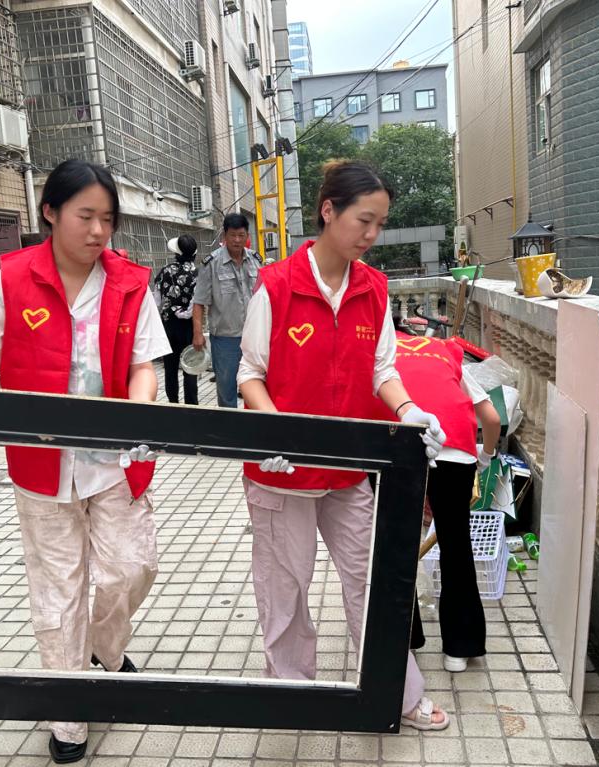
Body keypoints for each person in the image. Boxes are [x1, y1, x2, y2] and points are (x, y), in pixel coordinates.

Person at [0, 159, 171, 764]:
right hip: (41, 467)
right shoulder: (11, 281)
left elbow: (144, 365)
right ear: (50, 213)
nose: (98, 231)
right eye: (85, 216)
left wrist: (140, 417)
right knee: (58, 591)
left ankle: (104, 651)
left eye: (107, 219)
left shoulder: (129, 283)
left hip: (115, 462)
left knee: (132, 568)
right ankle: (69, 712)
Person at [237, 159, 451, 731]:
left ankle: (398, 693)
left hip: (349, 468)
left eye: (380, 223)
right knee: (285, 588)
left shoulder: (373, 289)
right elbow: (250, 374)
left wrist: (408, 411)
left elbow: (382, 369)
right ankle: (291, 695)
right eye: (364, 220)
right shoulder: (277, 285)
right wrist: (275, 429)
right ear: (328, 211)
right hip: (282, 471)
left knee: (373, 580)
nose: (372, 235)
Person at [389, 327, 502, 673]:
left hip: (398, 447)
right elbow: (492, 418)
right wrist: (485, 456)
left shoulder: (382, 355)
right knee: (456, 547)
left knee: (397, 546)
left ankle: (402, 640)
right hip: (454, 448)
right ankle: (459, 650)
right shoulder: (447, 353)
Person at [191, 213, 260, 408]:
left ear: (247, 236)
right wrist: (197, 333)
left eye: (241, 235)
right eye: (232, 235)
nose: (237, 240)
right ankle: (229, 425)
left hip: (254, 337)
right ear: (224, 236)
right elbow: (199, 302)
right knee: (227, 390)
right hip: (225, 340)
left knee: (255, 387)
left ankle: (253, 424)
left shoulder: (255, 260)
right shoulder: (211, 263)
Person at [154, 234, 199, 404]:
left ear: (176, 253)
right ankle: (192, 406)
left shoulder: (165, 271)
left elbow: (157, 301)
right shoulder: (197, 273)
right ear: (194, 254)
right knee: (190, 367)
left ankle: (173, 404)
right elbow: (196, 303)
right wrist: (184, 313)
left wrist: (170, 310)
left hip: (168, 325)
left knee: (170, 368)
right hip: (189, 326)